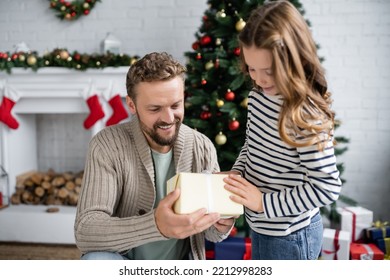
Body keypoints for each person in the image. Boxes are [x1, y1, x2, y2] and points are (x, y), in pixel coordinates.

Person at [74, 52, 234, 260]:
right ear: (131, 105)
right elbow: (86, 231)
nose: (168, 118)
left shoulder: (201, 146)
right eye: (155, 109)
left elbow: (211, 233)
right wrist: (155, 225)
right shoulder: (106, 145)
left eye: (176, 105)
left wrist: (221, 224)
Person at [223, 1, 342, 260]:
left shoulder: (305, 114)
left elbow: (327, 186)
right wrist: (237, 173)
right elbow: (251, 146)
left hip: (291, 236)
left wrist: (263, 203)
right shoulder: (258, 97)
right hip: (262, 226)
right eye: (251, 69)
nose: (258, 79)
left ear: (294, 60)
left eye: (268, 71)